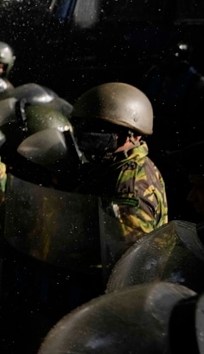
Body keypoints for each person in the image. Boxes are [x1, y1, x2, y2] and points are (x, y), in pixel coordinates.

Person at [71, 82, 168, 243]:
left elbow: (128, 257)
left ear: (134, 135)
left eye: (102, 128)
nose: (90, 135)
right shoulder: (111, 164)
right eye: (86, 125)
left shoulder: (130, 185)